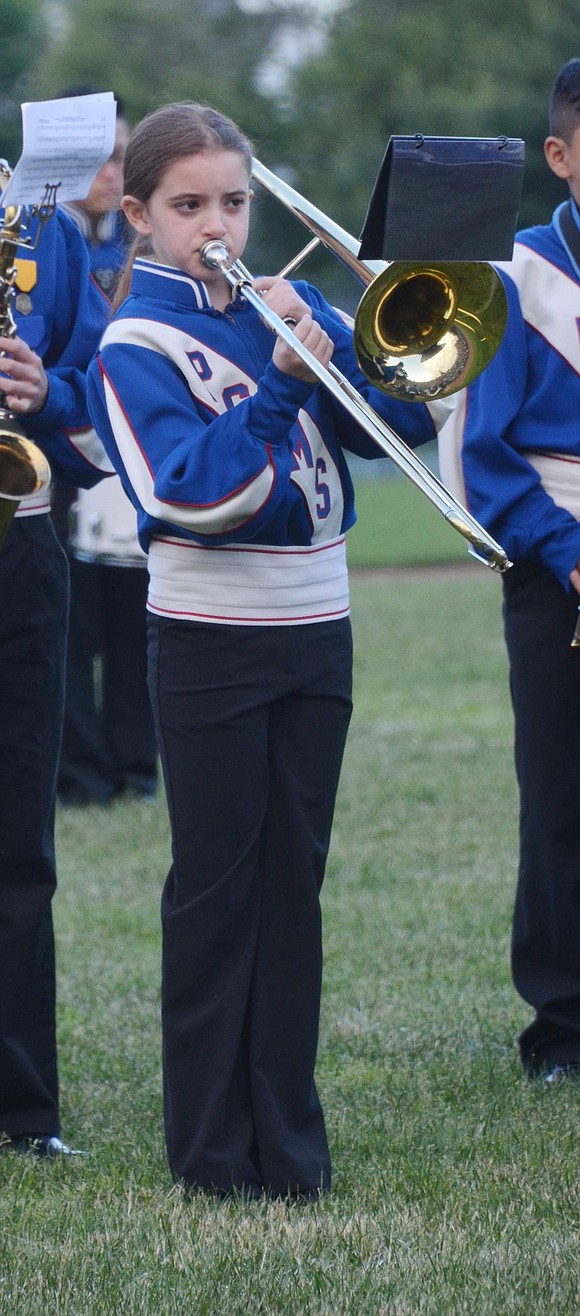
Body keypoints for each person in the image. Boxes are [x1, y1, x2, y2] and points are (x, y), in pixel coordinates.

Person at [86, 102, 437, 1197]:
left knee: (294, 890)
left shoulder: (283, 306)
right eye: (188, 206)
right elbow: (206, 496)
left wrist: (355, 337)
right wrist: (288, 373)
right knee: (215, 892)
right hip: (209, 639)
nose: (217, 224)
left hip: (314, 628)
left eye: (233, 201)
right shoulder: (133, 342)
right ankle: (208, 1152)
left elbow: (411, 424)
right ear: (141, 216)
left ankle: (288, 1142)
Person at [437, 58, 580, 1083]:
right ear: (561, 157)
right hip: (557, 564)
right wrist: (568, 553)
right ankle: (563, 1025)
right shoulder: (513, 273)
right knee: (563, 797)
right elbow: (483, 457)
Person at [0, 183, 113, 1156]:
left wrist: (47, 389)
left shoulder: (41, 224)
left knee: (19, 849)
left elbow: (108, 379)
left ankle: (21, 1110)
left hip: (21, 552)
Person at [51, 94, 158, 807]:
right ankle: (79, 771)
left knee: (133, 620)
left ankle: (136, 765)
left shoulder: (143, 252)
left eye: (122, 156)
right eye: (100, 156)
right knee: (68, 625)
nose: (112, 171)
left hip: (132, 456)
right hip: (61, 462)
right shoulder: (44, 245)